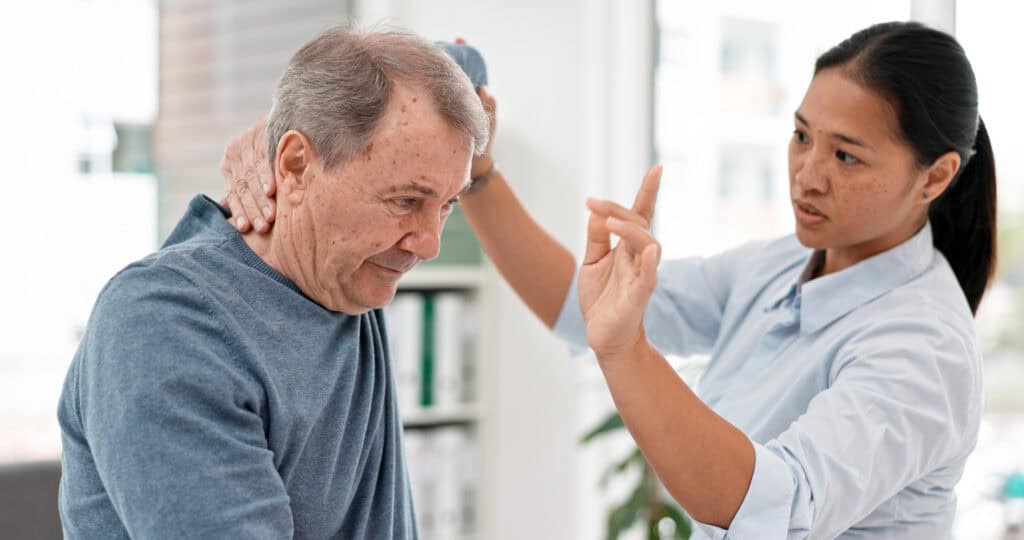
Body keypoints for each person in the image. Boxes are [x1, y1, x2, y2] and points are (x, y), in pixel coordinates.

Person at [223, 22, 996, 539]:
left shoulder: (921, 346)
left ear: (935, 177)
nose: (807, 174)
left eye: (846, 156)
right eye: (801, 136)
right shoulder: (776, 269)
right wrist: (480, 176)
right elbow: (575, 306)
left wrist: (623, 347)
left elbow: (768, 501)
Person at [57, 26, 488, 538]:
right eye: (404, 201)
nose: (429, 243)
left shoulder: (342, 268)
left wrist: (285, 119)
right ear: (296, 164)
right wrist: (293, 124)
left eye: (447, 205)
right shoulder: (165, 326)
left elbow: (463, 66)